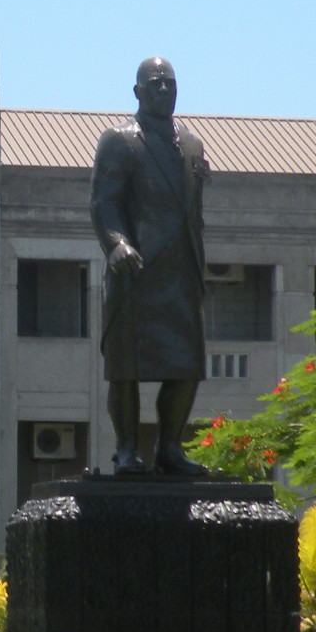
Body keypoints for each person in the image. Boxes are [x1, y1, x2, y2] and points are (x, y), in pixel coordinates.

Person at [89, 56, 211, 478]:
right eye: (155, 84)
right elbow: (104, 202)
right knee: (126, 368)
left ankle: (169, 449)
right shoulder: (119, 140)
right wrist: (117, 244)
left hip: (180, 273)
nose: (163, 90)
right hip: (136, 272)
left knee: (188, 365)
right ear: (138, 92)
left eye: (170, 84)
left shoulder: (193, 144)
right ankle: (125, 450)